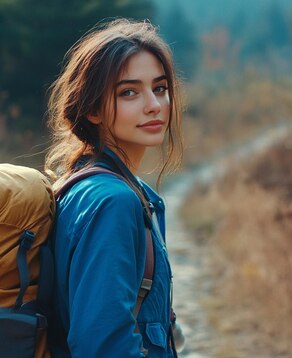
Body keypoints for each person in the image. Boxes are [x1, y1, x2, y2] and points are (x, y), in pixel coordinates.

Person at [44, 18, 184, 357]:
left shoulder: (85, 182)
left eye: (160, 88)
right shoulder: (113, 201)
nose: (153, 104)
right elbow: (102, 345)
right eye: (129, 92)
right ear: (92, 109)